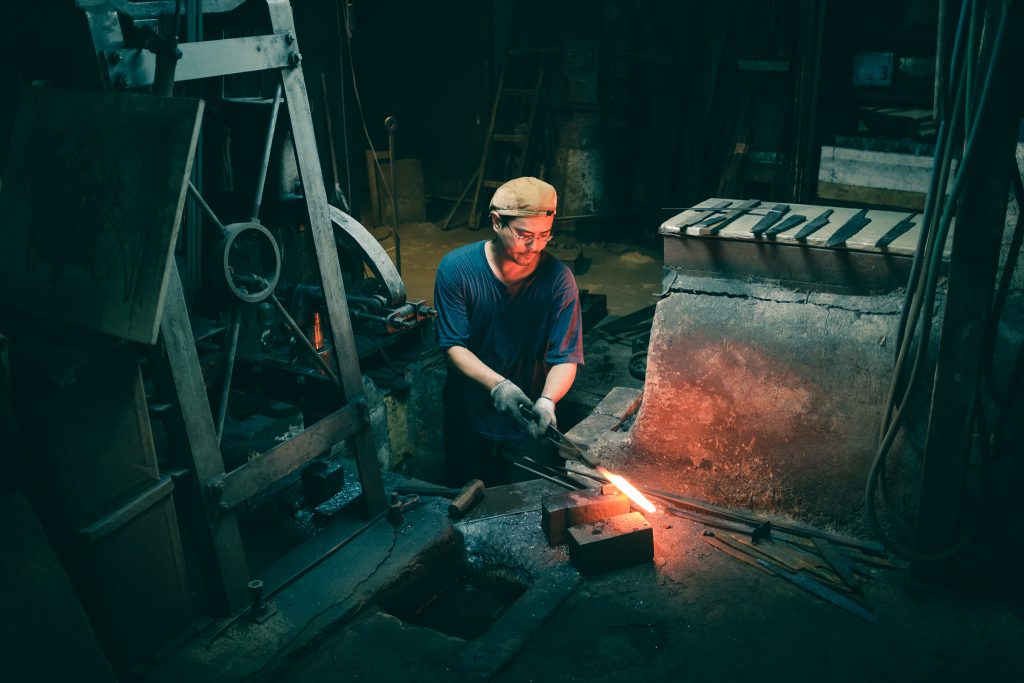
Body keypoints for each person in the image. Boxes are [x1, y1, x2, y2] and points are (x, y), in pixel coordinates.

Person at [434, 177, 584, 486]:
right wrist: (498, 385)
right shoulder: (456, 270)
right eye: (525, 235)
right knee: (462, 505)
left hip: (526, 424)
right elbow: (452, 346)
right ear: (497, 222)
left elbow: (565, 356)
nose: (535, 246)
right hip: (467, 416)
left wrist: (547, 400)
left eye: (544, 236)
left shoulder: (559, 281)